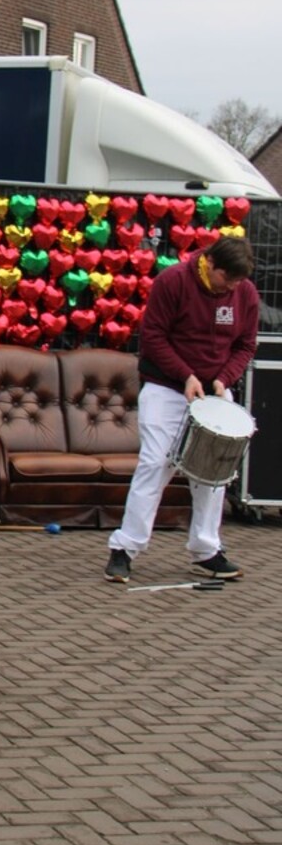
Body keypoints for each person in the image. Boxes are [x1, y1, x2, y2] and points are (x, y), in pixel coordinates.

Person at [105, 235, 258, 585]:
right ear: (211, 263)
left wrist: (224, 379)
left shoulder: (245, 292)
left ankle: (206, 550)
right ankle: (125, 548)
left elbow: (245, 345)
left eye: (238, 281)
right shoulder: (173, 281)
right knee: (155, 462)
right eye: (227, 279)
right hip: (166, 388)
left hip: (214, 391)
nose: (231, 287)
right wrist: (186, 375)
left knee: (214, 473)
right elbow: (154, 338)